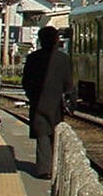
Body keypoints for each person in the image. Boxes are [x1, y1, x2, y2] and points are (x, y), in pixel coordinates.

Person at [22, 26, 73, 179]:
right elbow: (68, 84)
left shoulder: (33, 58)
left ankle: (44, 168)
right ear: (56, 40)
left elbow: (26, 81)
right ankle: (54, 167)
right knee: (54, 133)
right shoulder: (63, 59)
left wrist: (32, 95)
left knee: (42, 134)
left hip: (38, 101)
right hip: (56, 102)